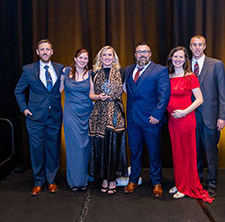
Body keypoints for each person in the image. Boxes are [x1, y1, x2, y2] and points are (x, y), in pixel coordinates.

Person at [14, 39, 63, 196]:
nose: (45, 52)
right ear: (37, 52)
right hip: (35, 118)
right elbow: (18, 91)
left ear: (52, 51)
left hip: (54, 117)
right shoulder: (28, 70)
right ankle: (38, 182)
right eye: (42, 49)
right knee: (36, 150)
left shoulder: (60, 68)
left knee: (53, 149)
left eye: (48, 49)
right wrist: (24, 109)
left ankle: (52, 181)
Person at [166, 46, 213, 203]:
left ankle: (186, 187)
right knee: (177, 153)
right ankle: (180, 184)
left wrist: (184, 112)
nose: (178, 59)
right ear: (171, 58)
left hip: (185, 120)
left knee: (186, 154)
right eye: (175, 56)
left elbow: (200, 99)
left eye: (181, 57)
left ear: (185, 59)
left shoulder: (190, 76)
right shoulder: (168, 76)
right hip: (173, 122)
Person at [124, 42, 170, 198]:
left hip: (151, 120)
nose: (142, 54)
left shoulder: (160, 70)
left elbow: (164, 95)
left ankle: (156, 182)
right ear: (135, 55)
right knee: (135, 152)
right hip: (132, 120)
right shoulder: (129, 70)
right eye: (139, 52)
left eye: (145, 52)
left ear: (150, 54)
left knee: (154, 152)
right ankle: (133, 179)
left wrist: (157, 115)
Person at [189, 35, 225, 197]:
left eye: (200, 45)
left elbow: (222, 93)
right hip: (190, 116)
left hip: (210, 117)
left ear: (205, 46)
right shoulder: (183, 65)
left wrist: (222, 116)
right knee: (195, 150)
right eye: (194, 45)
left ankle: (212, 182)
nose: (197, 47)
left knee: (210, 151)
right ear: (190, 47)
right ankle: (197, 180)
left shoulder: (216, 64)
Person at [88, 46, 127, 195]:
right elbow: (91, 94)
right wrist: (99, 97)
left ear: (114, 57)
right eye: (104, 55)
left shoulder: (122, 72)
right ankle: (104, 179)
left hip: (116, 114)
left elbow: (128, 90)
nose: (107, 57)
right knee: (102, 147)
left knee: (114, 147)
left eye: (110, 55)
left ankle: (112, 179)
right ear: (100, 57)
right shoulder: (94, 73)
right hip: (99, 114)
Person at [60, 49, 93, 191]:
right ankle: (74, 181)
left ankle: (85, 178)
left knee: (86, 146)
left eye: (85, 58)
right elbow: (57, 90)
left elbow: (93, 94)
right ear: (75, 58)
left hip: (87, 113)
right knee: (74, 147)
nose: (82, 60)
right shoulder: (65, 72)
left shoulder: (91, 73)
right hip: (70, 113)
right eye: (80, 57)